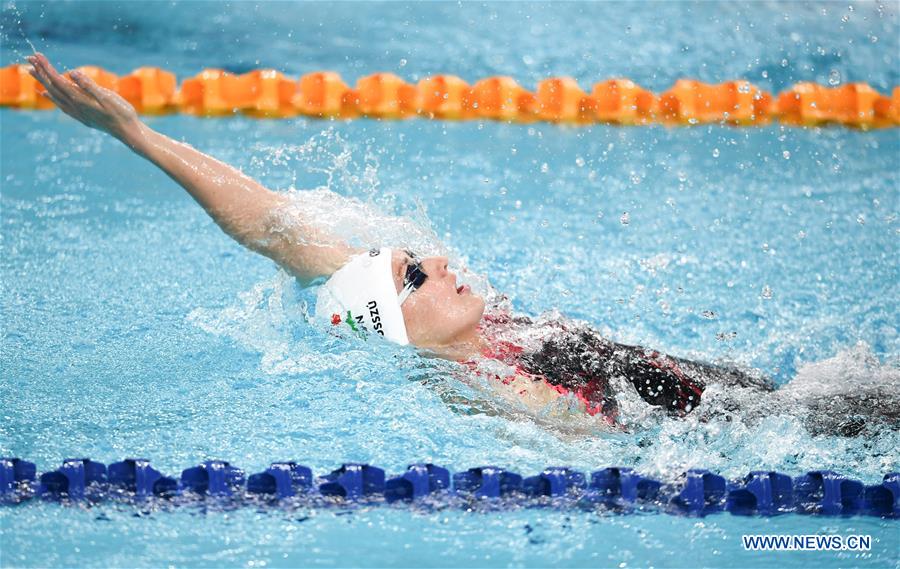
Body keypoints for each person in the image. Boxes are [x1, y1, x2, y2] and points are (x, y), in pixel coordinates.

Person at [24, 53, 892, 435]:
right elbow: (591, 437)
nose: (437, 261)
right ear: (399, 327)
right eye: (415, 276)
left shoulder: (457, 331)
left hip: (759, 400)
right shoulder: (474, 380)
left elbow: (275, 230)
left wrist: (137, 135)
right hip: (772, 431)